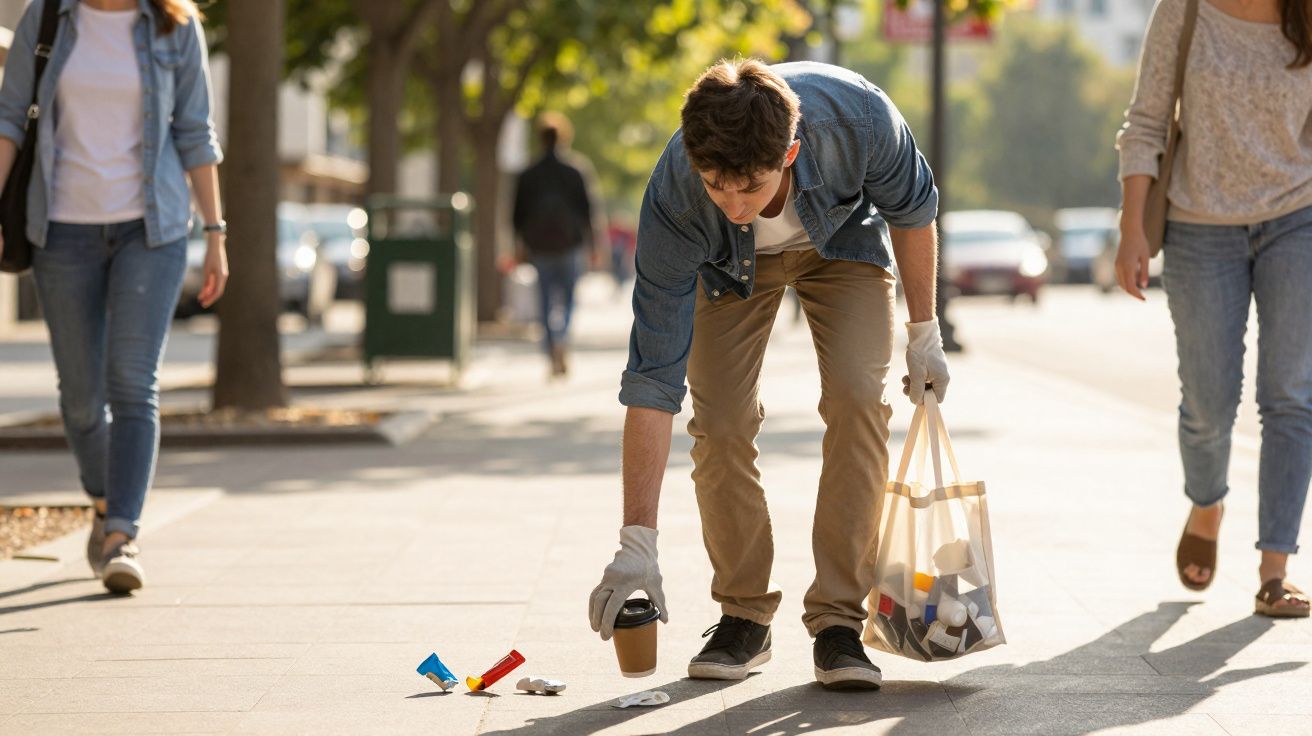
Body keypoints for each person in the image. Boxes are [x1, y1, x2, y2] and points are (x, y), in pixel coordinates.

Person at [588, 59, 948, 689]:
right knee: (721, 421)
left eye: (750, 188)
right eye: (716, 186)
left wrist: (925, 331)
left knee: (858, 400)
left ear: (790, 154)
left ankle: (839, 623)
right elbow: (652, 379)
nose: (734, 205)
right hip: (726, 269)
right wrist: (636, 540)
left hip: (841, 246)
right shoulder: (675, 194)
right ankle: (744, 617)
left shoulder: (860, 120)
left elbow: (914, 211)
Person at [0, 0, 225, 594]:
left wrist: (215, 233)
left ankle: (123, 533)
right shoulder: (48, 16)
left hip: (150, 232)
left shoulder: (175, 25)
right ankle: (104, 502)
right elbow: (9, 117)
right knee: (80, 399)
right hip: (60, 231)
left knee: (132, 381)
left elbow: (195, 130)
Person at [1116, 0, 1312, 616]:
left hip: (1298, 219)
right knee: (1208, 403)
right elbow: (1147, 120)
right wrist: (1131, 228)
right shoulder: (1185, 9)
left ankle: (1275, 569)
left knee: (1291, 393)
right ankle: (1207, 503)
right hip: (1199, 226)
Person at [511, 112, 605, 378]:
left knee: (544, 300)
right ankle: (562, 336)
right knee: (568, 299)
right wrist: (594, 246)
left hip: (539, 247)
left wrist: (519, 246)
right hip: (570, 244)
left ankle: (550, 346)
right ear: (564, 137)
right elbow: (588, 210)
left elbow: (516, 214)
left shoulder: (528, 173)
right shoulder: (575, 169)